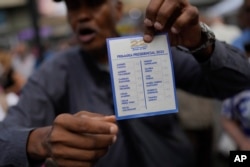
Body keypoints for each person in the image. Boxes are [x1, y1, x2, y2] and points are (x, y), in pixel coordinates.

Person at [0, 0, 250, 167]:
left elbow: (238, 82)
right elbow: (5, 137)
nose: (83, 15)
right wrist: (39, 141)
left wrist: (200, 43)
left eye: (95, 2)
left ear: (117, 10)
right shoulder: (56, 70)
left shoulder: (153, 49)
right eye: (74, 6)